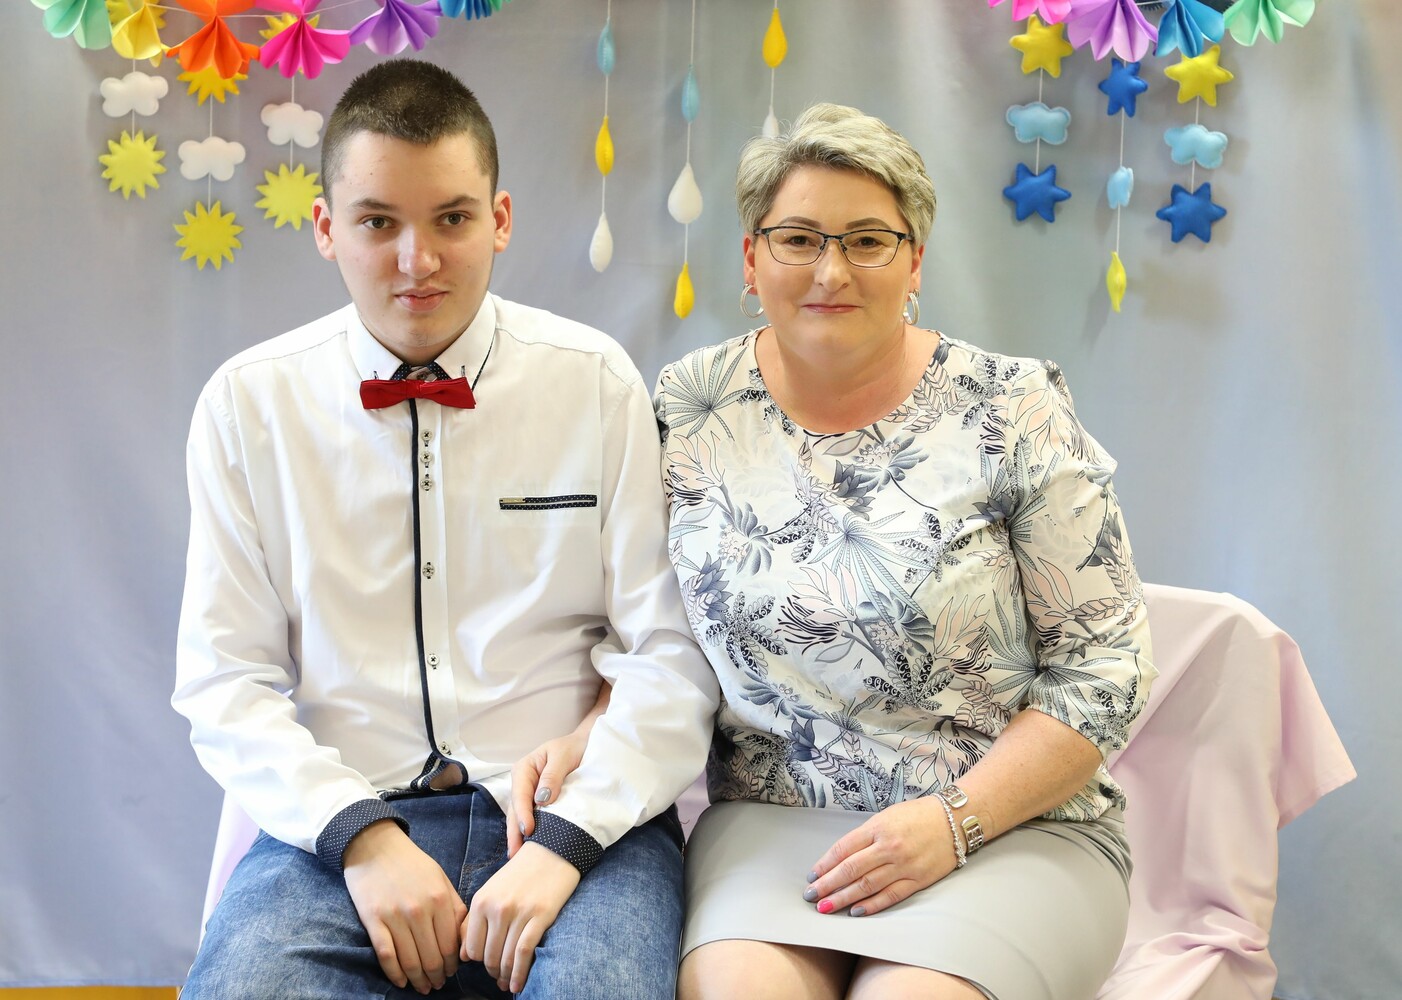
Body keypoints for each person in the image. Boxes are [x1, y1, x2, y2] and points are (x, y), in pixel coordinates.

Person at [538, 103, 1156, 999]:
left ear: (915, 262)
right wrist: (593, 727)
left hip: (1011, 824)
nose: (831, 270)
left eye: (868, 241)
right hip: (772, 822)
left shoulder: (1012, 406)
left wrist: (953, 823)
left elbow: (1106, 669)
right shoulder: (688, 405)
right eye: (798, 239)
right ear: (751, 258)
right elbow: (649, 619)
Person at [172, 59, 717, 1000]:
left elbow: (668, 654)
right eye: (378, 222)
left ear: (499, 219)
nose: (416, 260)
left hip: (576, 823)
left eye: (452, 219)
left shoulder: (594, 382)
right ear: (325, 228)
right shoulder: (246, 406)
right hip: (340, 830)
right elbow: (226, 682)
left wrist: (565, 841)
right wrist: (361, 839)